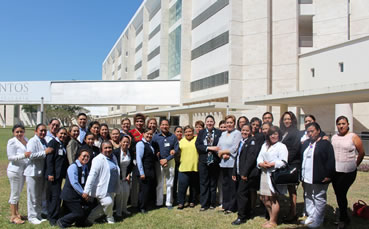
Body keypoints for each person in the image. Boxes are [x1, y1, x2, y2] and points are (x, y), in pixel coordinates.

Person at [331, 116, 365, 229]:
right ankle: (345, 217)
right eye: (339, 124)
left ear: (348, 124)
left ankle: (343, 219)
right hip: (336, 171)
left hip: (348, 171)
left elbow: (361, 153)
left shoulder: (353, 136)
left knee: (341, 193)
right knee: (339, 194)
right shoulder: (334, 137)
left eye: (343, 123)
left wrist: (355, 165)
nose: (341, 126)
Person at [300, 122, 335, 228]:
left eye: (312, 131)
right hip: (307, 176)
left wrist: (328, 174)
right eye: (308, 132)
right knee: (308, 196)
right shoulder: (306, 143)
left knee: (318, 197)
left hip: (319, 176)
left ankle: (319, 220)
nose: (310, 134)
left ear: (318, 131)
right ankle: (311, 216)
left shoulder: (325, 144)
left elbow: (331, 160)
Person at [257, 126, 288, 228]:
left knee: (273, 198)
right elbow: (259, 157)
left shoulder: (281, 146)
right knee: (264, 198)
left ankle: (274, 221)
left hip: (274, 174)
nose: (273, 136)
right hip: (264, 173)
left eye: (275, 134)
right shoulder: (265, 145)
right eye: (271, 134)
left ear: (279, 135)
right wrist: (261, 164)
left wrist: (272, 164)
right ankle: (271, 218)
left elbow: (283, 161)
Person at [84, 141, 120, 224]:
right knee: (108, 203)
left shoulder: (113, 157)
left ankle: (94, 219)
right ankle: (108, 218)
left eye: (110, 147)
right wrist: (86, 191)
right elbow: (92, 175)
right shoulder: (97, 160)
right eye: (106, 148)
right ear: (101, 149)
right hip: (101, 187)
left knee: (108, 204)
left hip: (111, 186)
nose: (108, 149)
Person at [24, 124, 53, 225]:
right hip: (33, 172)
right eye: (41, 131)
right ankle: (32, 216)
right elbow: (30, 155)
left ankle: (38, 215)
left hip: (41, 172)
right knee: (32, 196)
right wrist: (45, 152)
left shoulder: (44, 141)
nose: (43, 133)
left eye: (45, 131)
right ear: (36, 131)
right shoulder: (32, 141)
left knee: (40, 196)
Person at [231, 124, 260, 225]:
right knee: (244, 194)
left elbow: (250, 160)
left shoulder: (252, 142)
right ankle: (247, 213)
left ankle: (241, 216)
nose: (244, 132)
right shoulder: (241, 142)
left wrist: (244, 173)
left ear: (251, 131)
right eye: (243, 130)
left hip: (246, 174)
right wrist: (234, 171)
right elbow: (237, 158)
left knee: (241, 194)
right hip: (239, 172)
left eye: (247, 131)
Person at [58, 149, 91, 228]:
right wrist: (83, 193)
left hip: (78, 195)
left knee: (88, 207)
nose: (86, 158)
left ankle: (80, 223)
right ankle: (62, 221)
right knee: (79, 213)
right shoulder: (73, 167)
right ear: (79, 156)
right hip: (70, 196)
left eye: (88, 156)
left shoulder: (85, 167)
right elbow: (74, 183)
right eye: (84, 156)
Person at [195, 115, 222, 211]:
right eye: (208, 121)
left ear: (214, 123)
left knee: (213, 182)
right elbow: (198, 145)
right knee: (204, 182)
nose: (209, 123)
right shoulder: (201, 132)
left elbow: (221, 145)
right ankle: (204, 203)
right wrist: (209, 148)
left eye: (211, 121)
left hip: (214, 161)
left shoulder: (219, 132)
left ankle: (212, 203)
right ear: (205, 123)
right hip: (203, 161)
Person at [217, 115, 242, 214]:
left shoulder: (237, 133)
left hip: (232, 163)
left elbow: (234, 148)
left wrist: (223, 152)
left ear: (234, 123)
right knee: (225, 185)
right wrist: (222, 155)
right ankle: (225, 205)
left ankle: (232, 207)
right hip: (223, 163)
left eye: (231, 122)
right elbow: (219, 147)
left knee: (232, 186)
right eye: (227, 122)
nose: (229, 124)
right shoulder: (223, 134)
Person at [152, 119, 179, 209]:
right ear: (160, 126)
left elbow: (176, 149)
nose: (164, 126)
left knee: (170, 183)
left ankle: (169, 202)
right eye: (163, 125)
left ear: (169, 126)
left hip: (170, 162)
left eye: (166, 125)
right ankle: (159, 202)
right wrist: (160, 159)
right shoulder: (155, 137)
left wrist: (167, 159)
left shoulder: (173, 137)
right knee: (159, 183)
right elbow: (153, 148)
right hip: (159, 162)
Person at [280, 111, 301, 223]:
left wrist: (285, 161)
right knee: (288, 188)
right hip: (284, 163)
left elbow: (295, 149)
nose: (287, 121)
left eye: (289, 119)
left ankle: (293, 213)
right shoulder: (283, 132)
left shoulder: (296, 132)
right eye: (285, 119)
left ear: (293, 120)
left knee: (292, 189)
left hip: (292, 163)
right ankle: (290, 211)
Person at [45, 127, 69, 226]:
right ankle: (52, 217)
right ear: (57, 134)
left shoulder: (62, 144)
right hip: (53, 175)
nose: (63, 135)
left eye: (64, 134)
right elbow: (49, 160)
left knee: (57, 195)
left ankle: (55, 213)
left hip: (59, 176)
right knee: (54, 197)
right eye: (61, 133)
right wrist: (50, 173)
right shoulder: (53, 143)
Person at [7, 124, 30, 224]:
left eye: (21, 131)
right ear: (13, 133)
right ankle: (13, 216)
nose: (19, 134)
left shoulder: (26, 139)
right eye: (17, 132)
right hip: (14, 171)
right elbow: (10, 157)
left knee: (18, 193)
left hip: (23, 171)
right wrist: (23, 155)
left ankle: (17, 213)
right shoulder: (12, 142)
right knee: (14, 194)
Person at [136, 128, 157, 213]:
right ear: (143, 134)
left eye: (151, 134)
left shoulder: (149, 144)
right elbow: (139, 159)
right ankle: (142, 207)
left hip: (150, 170)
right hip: (144, 171)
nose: (149, 136)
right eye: (147, 134)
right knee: (144, 190)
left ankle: (145, 205)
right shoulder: (140, 144)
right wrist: (141, 172)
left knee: (147, 189)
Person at [177, 125, 199, 209]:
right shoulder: (181, 141)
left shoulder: (197, 139)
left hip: (194, 167)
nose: (188, 133)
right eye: (186, 132)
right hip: (183, 167)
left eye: (190, 131)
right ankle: (181, 202)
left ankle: (192, 201)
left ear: (193, 132)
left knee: (193, 187)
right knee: (182, 187)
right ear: (184, 133)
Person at [114, 135, 134, 217]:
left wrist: (129, 174)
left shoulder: (131, 152)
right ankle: (118, 212)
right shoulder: (115, 152)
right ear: (120, 142)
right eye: (124, 142)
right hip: (118, 176)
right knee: (119, 194)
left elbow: (132, 165)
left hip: (126, 176)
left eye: (127, 142)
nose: (125, 143)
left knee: (126, 193)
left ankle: (124, 209)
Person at [173, 126, 183, 203]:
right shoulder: (172, 141)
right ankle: (173, 197)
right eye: (177, 131)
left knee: (181, 182)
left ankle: (181, 197)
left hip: (182, 163)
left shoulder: (184, 141)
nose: (179, 133)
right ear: (174, 132)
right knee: (174, 181)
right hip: (174, 163)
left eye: (180, 131)